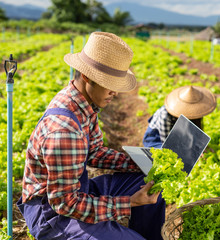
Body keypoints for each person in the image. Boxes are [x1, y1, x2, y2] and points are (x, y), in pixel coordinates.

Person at [17, 32, 165, 240]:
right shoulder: (65, 132)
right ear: (87, 77)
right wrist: (130, 202)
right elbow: (65, 203)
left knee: (152, 180)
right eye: (109, 83)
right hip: (52, 216)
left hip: (76, 191)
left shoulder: (83, 104)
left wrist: (144, 162)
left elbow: (94, 153)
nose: (115, 92)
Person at [143, 85, 217, 148]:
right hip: (157, 139)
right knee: (165, 153)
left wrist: (201, 147)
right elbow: (168, 145)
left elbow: (196, 132)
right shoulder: (165, 116)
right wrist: (191, 153)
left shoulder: (196, 112)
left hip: (179, 135)